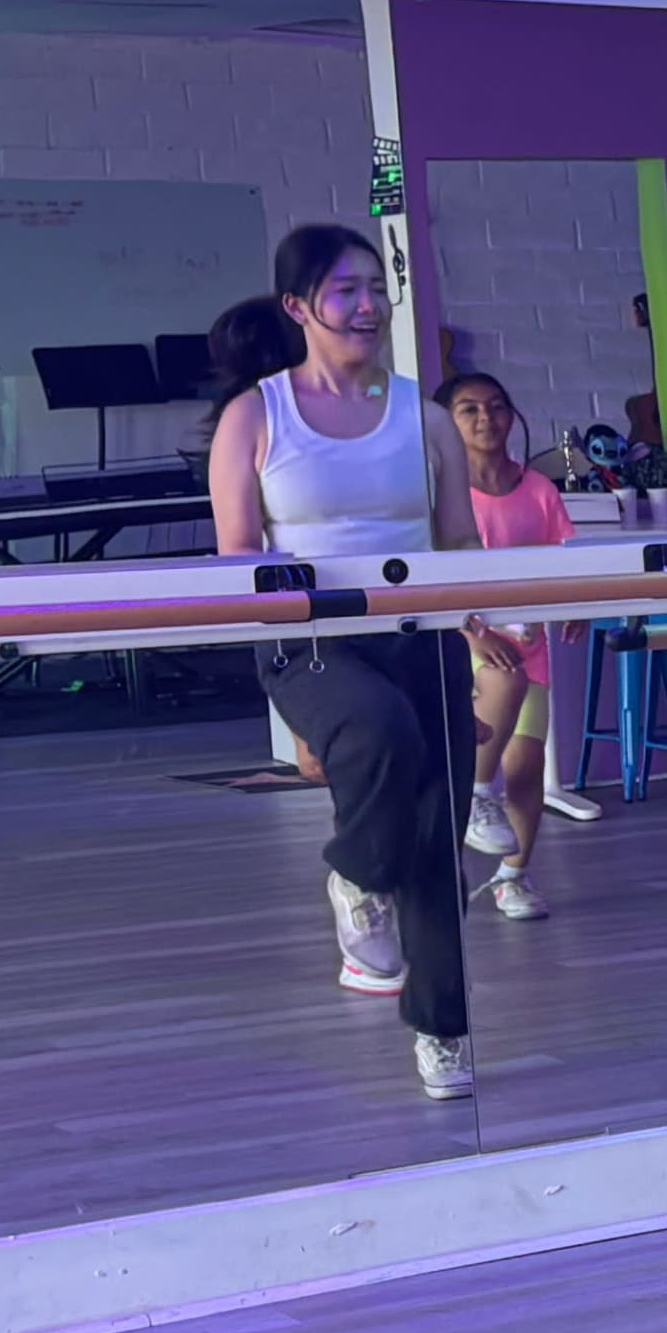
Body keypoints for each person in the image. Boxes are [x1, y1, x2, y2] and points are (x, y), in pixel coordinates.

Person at [204, 226, 478, 1100]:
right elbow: (237, 556)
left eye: (375, 289)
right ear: (299, 307)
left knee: (440, 841)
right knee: (382, 733)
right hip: (311, 641)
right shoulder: (258, 416)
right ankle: (358, 873)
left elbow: (460, 541)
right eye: (344, 291)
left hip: (420, 635)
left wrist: (482, 618)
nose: (366, 306)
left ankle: (444, 1031)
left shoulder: (424, 416)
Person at [441, 371, 572, 921]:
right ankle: (474, 798)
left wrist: (572, 609)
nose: (484, 419)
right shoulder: (440, 497)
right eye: (468, 409)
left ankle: (512, 877)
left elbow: (565, 563)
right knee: (471, 758)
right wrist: (474, 633)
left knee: (525, 768)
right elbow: (432, 580)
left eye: (495, 407)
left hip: (528, 644)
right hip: (468, 642)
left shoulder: (538, 490)